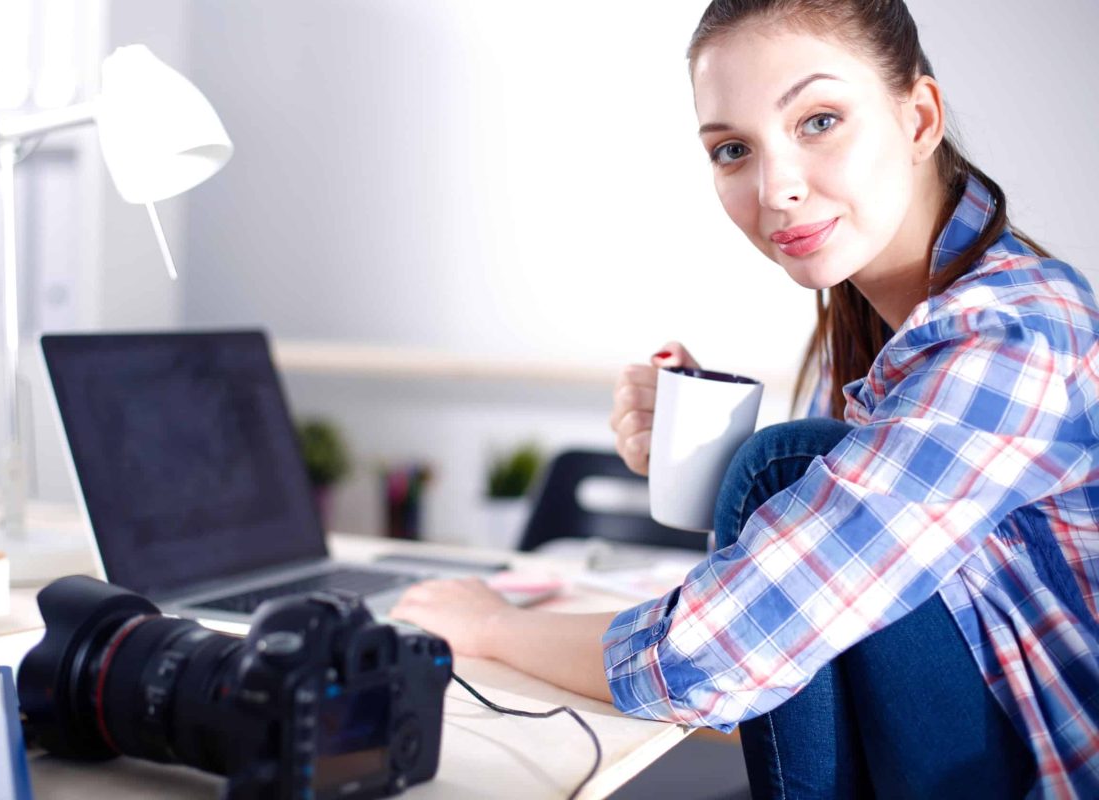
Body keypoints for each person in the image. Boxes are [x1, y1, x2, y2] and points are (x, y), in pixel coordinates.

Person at [391, 1, 1099, 796]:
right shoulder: (890, 320)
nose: (776, 188)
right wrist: (701, 457)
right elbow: (861, 570)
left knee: (786, 463)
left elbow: (718, 655)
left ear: (919, 117)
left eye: (819, 120)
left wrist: (489, 627)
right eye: (733, 149)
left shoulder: (1013, 338)